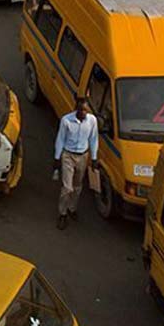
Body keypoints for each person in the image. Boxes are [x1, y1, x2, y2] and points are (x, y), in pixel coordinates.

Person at [53, 98, 98, 230]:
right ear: (76, 109)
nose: (84, 113)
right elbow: (60, 139)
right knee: (67, 187)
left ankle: (72, 208)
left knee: (78, 186)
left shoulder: (92, 121)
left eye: (86, 110)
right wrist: (57, 157)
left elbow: (94, 139)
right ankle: (62, 213)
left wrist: (94, 158)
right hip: (68, 155)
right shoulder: (66, 120)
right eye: (81, 110)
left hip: (83, 156)